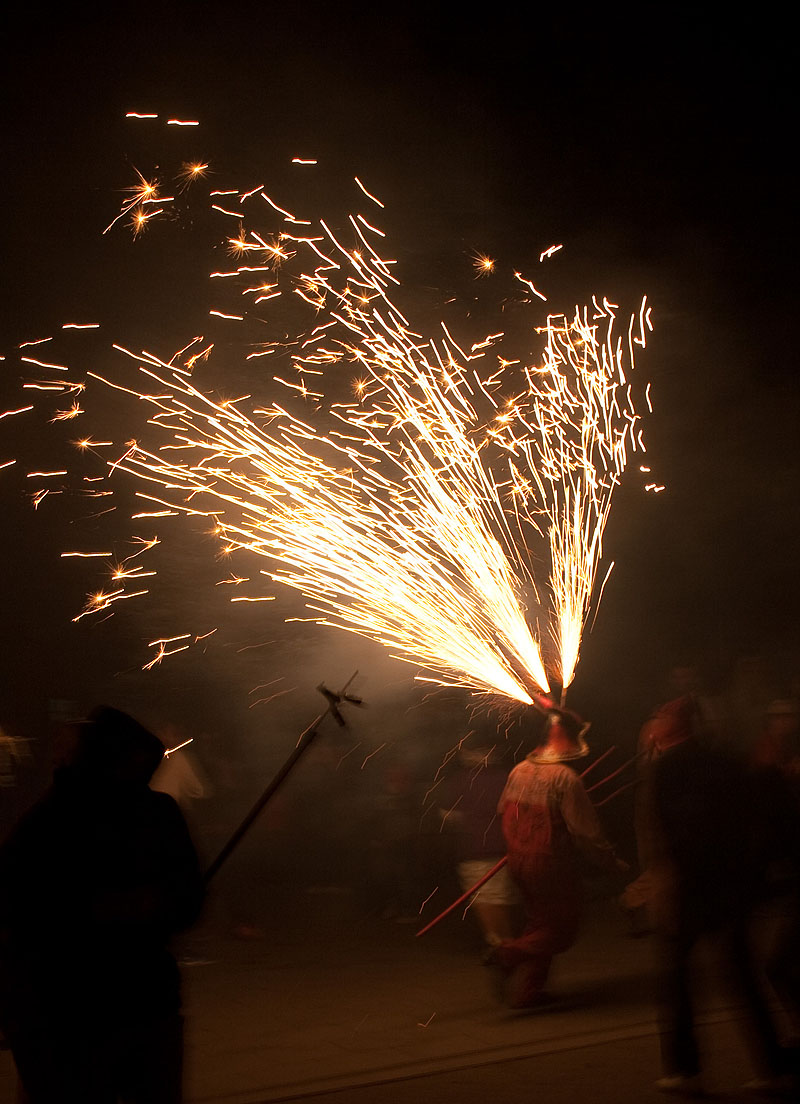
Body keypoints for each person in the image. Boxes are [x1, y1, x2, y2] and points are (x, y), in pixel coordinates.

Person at [0, 706, 205, 1103]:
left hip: (131, 1007)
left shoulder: (152, 814)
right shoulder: (52, 821)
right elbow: (18, 910)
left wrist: (146, 906)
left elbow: (188, 899)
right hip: (72, 1012)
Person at [648, 715, 795, 1095]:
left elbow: (667, 829)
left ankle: (684, 1068)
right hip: (732, 881)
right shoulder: (725, 760)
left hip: (695, 885)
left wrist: (665, 879)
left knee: (678, 974)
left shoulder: (666, 769)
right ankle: (772, 1067)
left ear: (668, 733)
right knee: (741, 975)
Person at [489, 706, 626, 1009]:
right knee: (561, 931)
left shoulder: (518, 770)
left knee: (541, 922)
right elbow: (586, 832)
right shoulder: (565, 778)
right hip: (550, 865)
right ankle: (507, 955)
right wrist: (610, 860)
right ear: (566, 739)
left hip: (518, 861)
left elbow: (504, 814)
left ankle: (531, 991)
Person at [437, 736, 519, 949]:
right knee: (500, 897)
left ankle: (501, 945)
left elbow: (447, 816)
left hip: (475, 850)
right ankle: (505, 945)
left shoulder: (461, 780)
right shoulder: (509, 777)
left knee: (486, 898)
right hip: (507, 849)